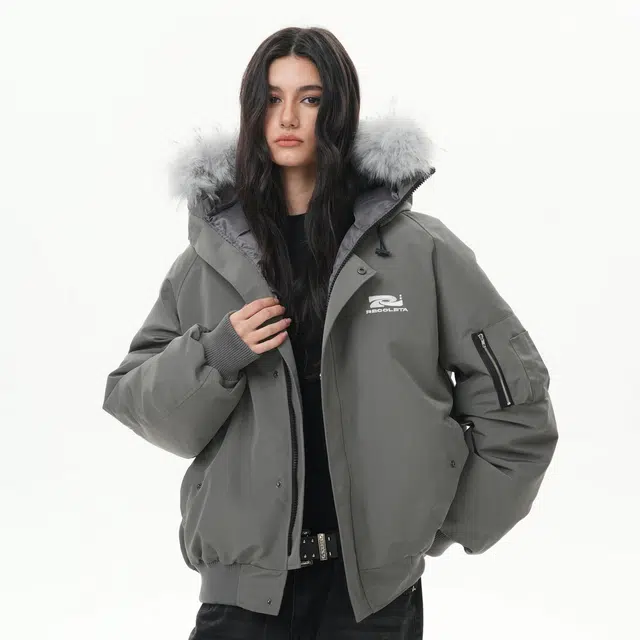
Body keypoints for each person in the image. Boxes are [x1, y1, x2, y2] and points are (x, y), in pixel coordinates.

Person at [102, 26, 558, 639]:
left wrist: (437, 526)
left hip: (372, 598)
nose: (289, 116)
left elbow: (516, 401)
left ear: (339, 108)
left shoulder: (420, 252)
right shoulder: (207, 264)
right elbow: (138, 403)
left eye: (310, 98)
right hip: (244, 593)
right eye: (272, 98)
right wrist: (217, 353)